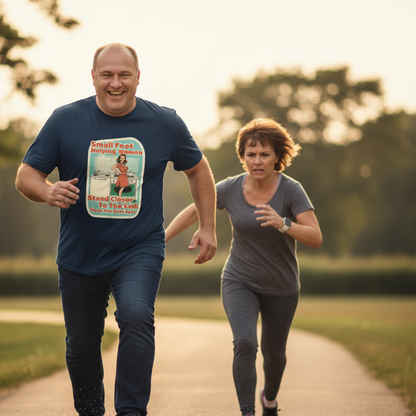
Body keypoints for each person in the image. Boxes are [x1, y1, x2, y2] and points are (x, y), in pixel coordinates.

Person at [15, 43, 217, 416]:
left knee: (137, 316)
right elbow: (26, 174)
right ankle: (91, 411)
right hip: (80, 252)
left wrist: (208, 226)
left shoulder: (165, 122)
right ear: (92, 77)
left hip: (138, 247)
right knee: (81, 344)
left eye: (124, 74)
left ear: (138, 77)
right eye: (106, 74)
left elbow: (198, 168)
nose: (115, 83)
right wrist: (46, 191)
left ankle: (131, 411)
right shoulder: (64, 119)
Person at [165, 118, 322, 416]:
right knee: (246, 344)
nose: (257, 161)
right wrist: (160, 241)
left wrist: (284, 223)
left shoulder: (291, 191)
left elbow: (315, 237)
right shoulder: (229, 188)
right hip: (240, 280)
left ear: (277, 157)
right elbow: (193, 212)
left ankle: (270, 400)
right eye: (251, 154)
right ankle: (247, 412)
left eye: (264, 154)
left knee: (274, 356)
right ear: (242, 157)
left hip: (282, 286)